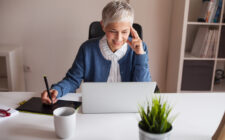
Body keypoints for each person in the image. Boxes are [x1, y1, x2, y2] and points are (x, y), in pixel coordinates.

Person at [41, 0, 152, 104]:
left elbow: (143, 89)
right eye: (113, 31)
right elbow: (73, 80)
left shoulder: (140, 48)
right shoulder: (87, 49)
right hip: (96, 105)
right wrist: (57, 90)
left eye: (124, 32)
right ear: (103, 26)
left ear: (131, 29)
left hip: (126, 106)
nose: (119, 38)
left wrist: (140, 55)